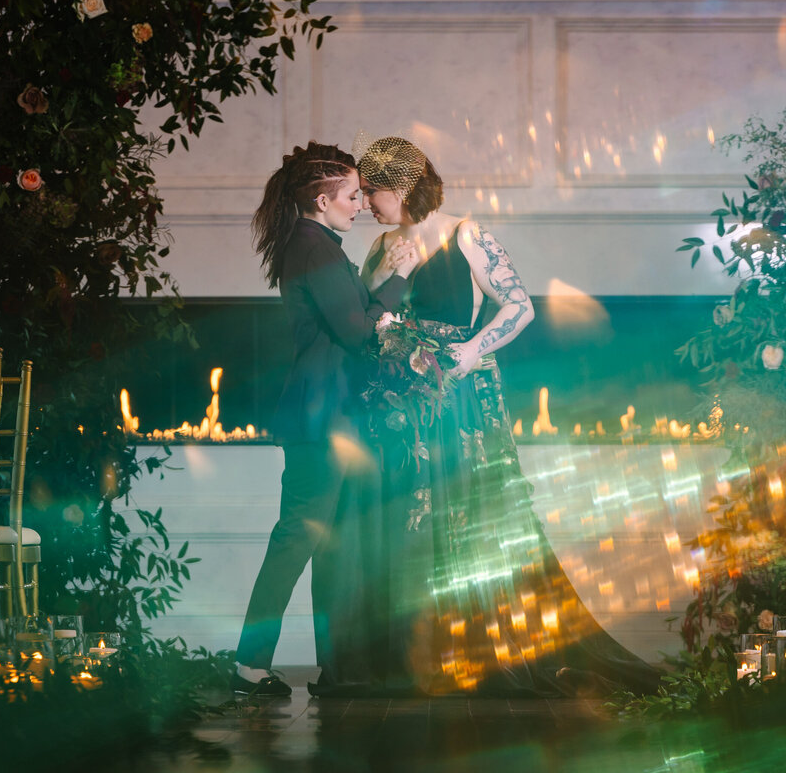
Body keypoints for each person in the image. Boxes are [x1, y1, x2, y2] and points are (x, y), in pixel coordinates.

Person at [356, 136, 660, 697]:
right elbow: (362, 314)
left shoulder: (465, 234)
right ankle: (417, 653)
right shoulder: (381, 245)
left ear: (399, 188)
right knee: (411, 509)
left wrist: (474, 350)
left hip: (460, 390)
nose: (364, 201)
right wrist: (381, 278)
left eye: (371, 191)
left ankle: (477, 646)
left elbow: (520, 305)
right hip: (403, 400)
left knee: (467, 502)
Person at [234, 142, 418, 696]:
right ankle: (248, 665)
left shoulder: (316, 245)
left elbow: (353, 315)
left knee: (326, 542)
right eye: (352, 195)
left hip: (329, 412)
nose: (360, 204)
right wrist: (402, 279)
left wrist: (383, 279)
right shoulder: (316, 249)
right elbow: (361, 333)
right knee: (296, 538)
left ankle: (342, 667)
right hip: (323, 416)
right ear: (322, 199)